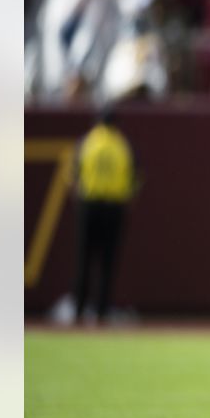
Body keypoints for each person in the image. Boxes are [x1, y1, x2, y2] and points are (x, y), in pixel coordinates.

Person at [71, 105, 138, 326]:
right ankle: (101, 311)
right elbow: (135, 178)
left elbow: (74, 175)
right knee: (108, 262)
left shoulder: (88, 142)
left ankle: (79, 310)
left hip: (89, 205)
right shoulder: (122, 145)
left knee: (84, 259)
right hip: (114, 206)